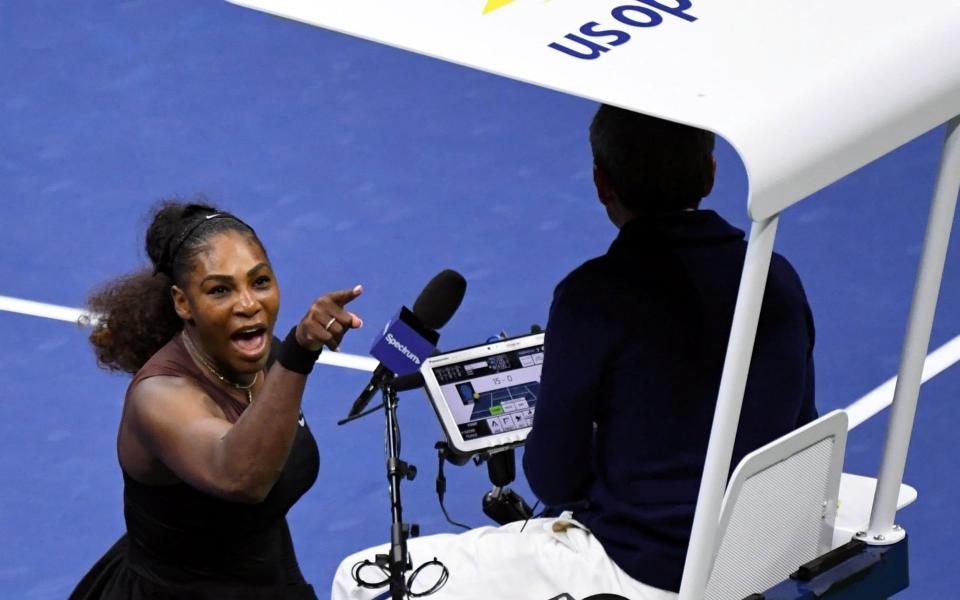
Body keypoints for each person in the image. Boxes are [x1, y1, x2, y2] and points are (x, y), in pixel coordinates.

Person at [331, 105, 815, 600]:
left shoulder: (593, 296)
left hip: (641, 572)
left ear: (602, 184)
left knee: (361, 577)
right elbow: (800, 426)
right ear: (711, 174)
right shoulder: (778, 278)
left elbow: (553, 478)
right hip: (758, 559)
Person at [71, 201, 363, 600]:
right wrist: (299, 354)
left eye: (259, 282)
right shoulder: (158, 398)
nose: (248, 304)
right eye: (220, 290)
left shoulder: (269, 359)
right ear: (183, 302)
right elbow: (241, 476)